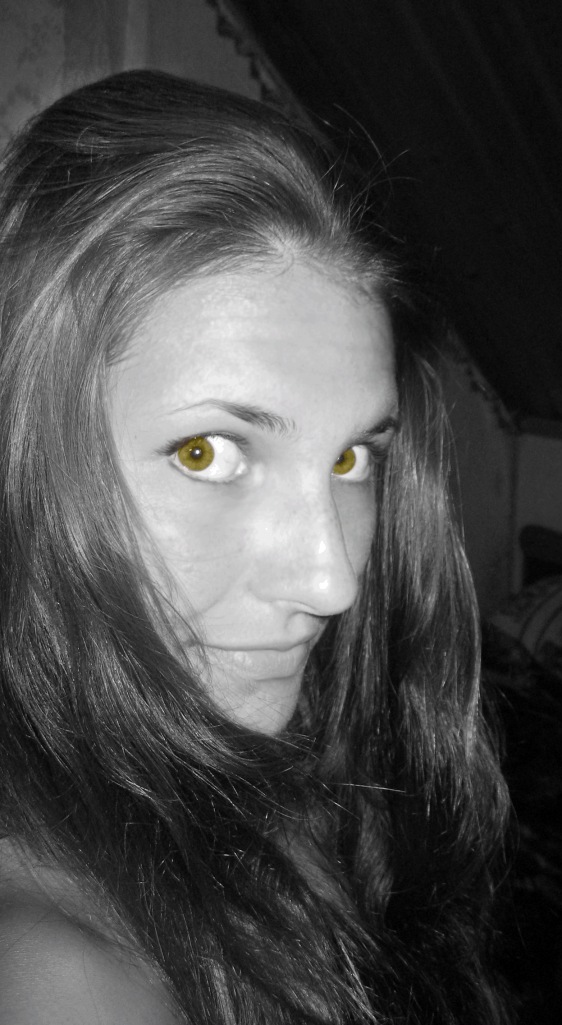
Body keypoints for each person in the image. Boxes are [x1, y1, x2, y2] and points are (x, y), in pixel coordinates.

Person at [0, 71, 510, 1024]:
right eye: (208, 453)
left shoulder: (279, 756)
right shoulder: (63, 979)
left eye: (353, 457)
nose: (334, 579)